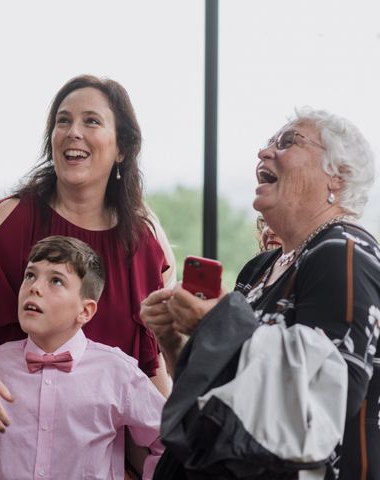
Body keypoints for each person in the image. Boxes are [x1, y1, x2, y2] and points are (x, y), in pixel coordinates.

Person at [0, 74, 176, 476]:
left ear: (123, 148)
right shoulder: (11, 218)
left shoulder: (141, 242)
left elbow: (151, 373)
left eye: (91, 121)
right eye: (63, 121)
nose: (73, 132)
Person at [141, 107, 380, 479]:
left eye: (288, 142)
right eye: (269, 142)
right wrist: (175, 343)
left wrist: (216, 321)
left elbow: (330, 391)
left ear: (338, 175)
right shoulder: (261, 267)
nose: (264, 153)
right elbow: (231, 387)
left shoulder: (343, 252)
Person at [0, 236, 165, 479]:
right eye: (30, 275)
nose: (34, 287)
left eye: (56, 280)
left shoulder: (118, 372)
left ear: (85, 311)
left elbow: (167, 441)